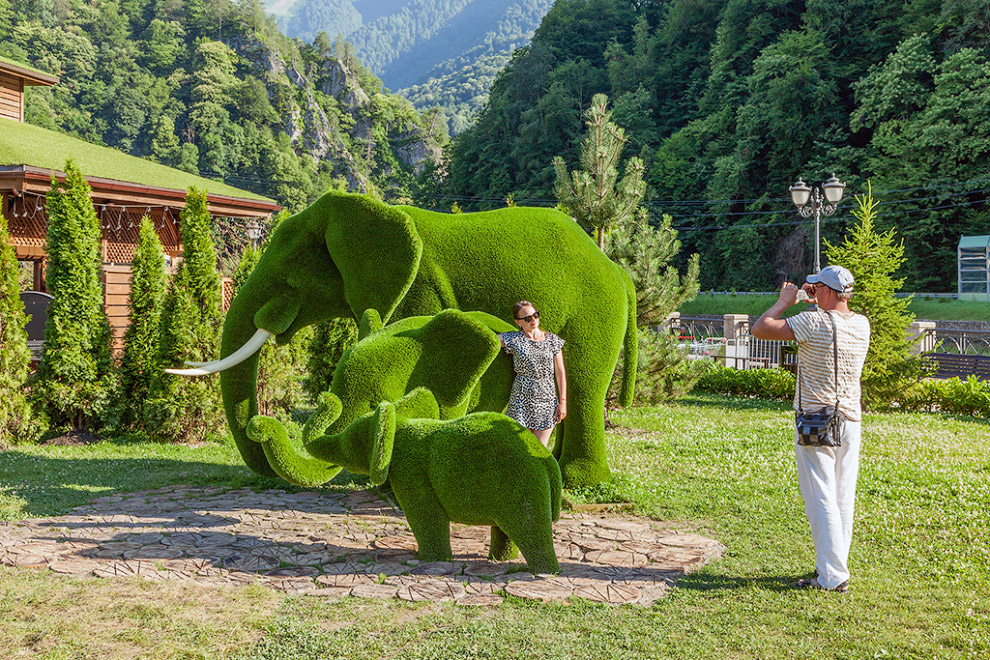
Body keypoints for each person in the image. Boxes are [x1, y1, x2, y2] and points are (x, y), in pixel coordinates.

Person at [751, 265, 871, 592]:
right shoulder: (862, 324)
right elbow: (829, 321)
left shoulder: (812, 321)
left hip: (815, 419)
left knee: (820, 496)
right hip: (849, 420)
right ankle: (832, 567)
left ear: (828, 292)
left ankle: (832, 577)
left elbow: (761, 328)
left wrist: (785, 302)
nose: (813, 292)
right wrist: (814, 299)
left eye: (817, 288)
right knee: (842, 496)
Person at [499, 301, 567, 447]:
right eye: (528, 318)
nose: (533, 320)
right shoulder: (514, 339)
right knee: (518, 448)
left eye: (535, 315)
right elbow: (489, 340)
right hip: (521, 401)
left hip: (547, 400)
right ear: (518, 322)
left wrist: (563, 402)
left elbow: (560, 372)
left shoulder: (552, 341)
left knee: (538, 451)